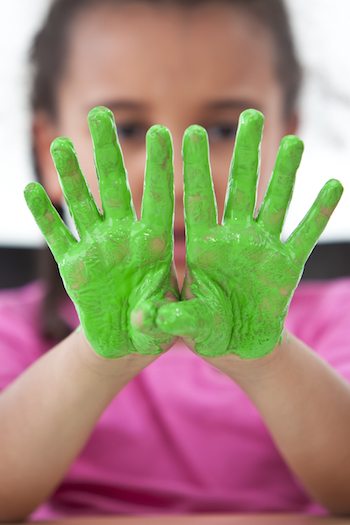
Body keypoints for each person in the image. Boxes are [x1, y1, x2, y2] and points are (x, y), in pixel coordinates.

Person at [0, 0, 349, 521]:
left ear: (283, 142)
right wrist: (97, 356)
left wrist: (265, 357)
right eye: (128, 130)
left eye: (226, 131)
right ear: (51, 149)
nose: (184, 180)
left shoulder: (335, 319)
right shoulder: (16, 330)